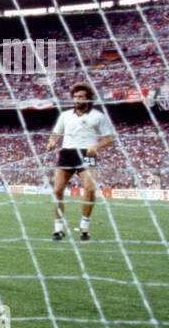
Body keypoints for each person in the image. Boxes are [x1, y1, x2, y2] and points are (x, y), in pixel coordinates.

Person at [44, 82, 115, 241]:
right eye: (75, 97)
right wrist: (52, 142)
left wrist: (96, 146)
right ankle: (58, 229)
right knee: (57, 191)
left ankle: (84, 227)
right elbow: (55, 133)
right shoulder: (65, 115)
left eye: (81, 97)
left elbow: (109, 138)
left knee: (90, 189)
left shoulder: (98, 116)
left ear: (88, 99)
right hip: (67, 153)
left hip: (87, 153)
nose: (77, 99)